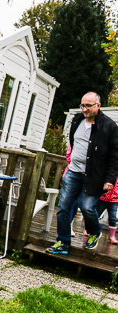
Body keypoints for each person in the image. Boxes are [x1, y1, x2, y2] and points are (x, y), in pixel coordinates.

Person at [47, 92, 118, 255]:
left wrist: (110, 179)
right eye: (83, 105)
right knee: (64, 208)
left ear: (98, 106)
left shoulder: (109, 126)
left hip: (94, 176)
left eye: (88, 105)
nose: (84, 109)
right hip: (73, 172)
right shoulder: (77, 120)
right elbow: (74, 142)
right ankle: (63, 242)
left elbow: (115, 156)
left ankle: (95, 232)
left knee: (87, 207)